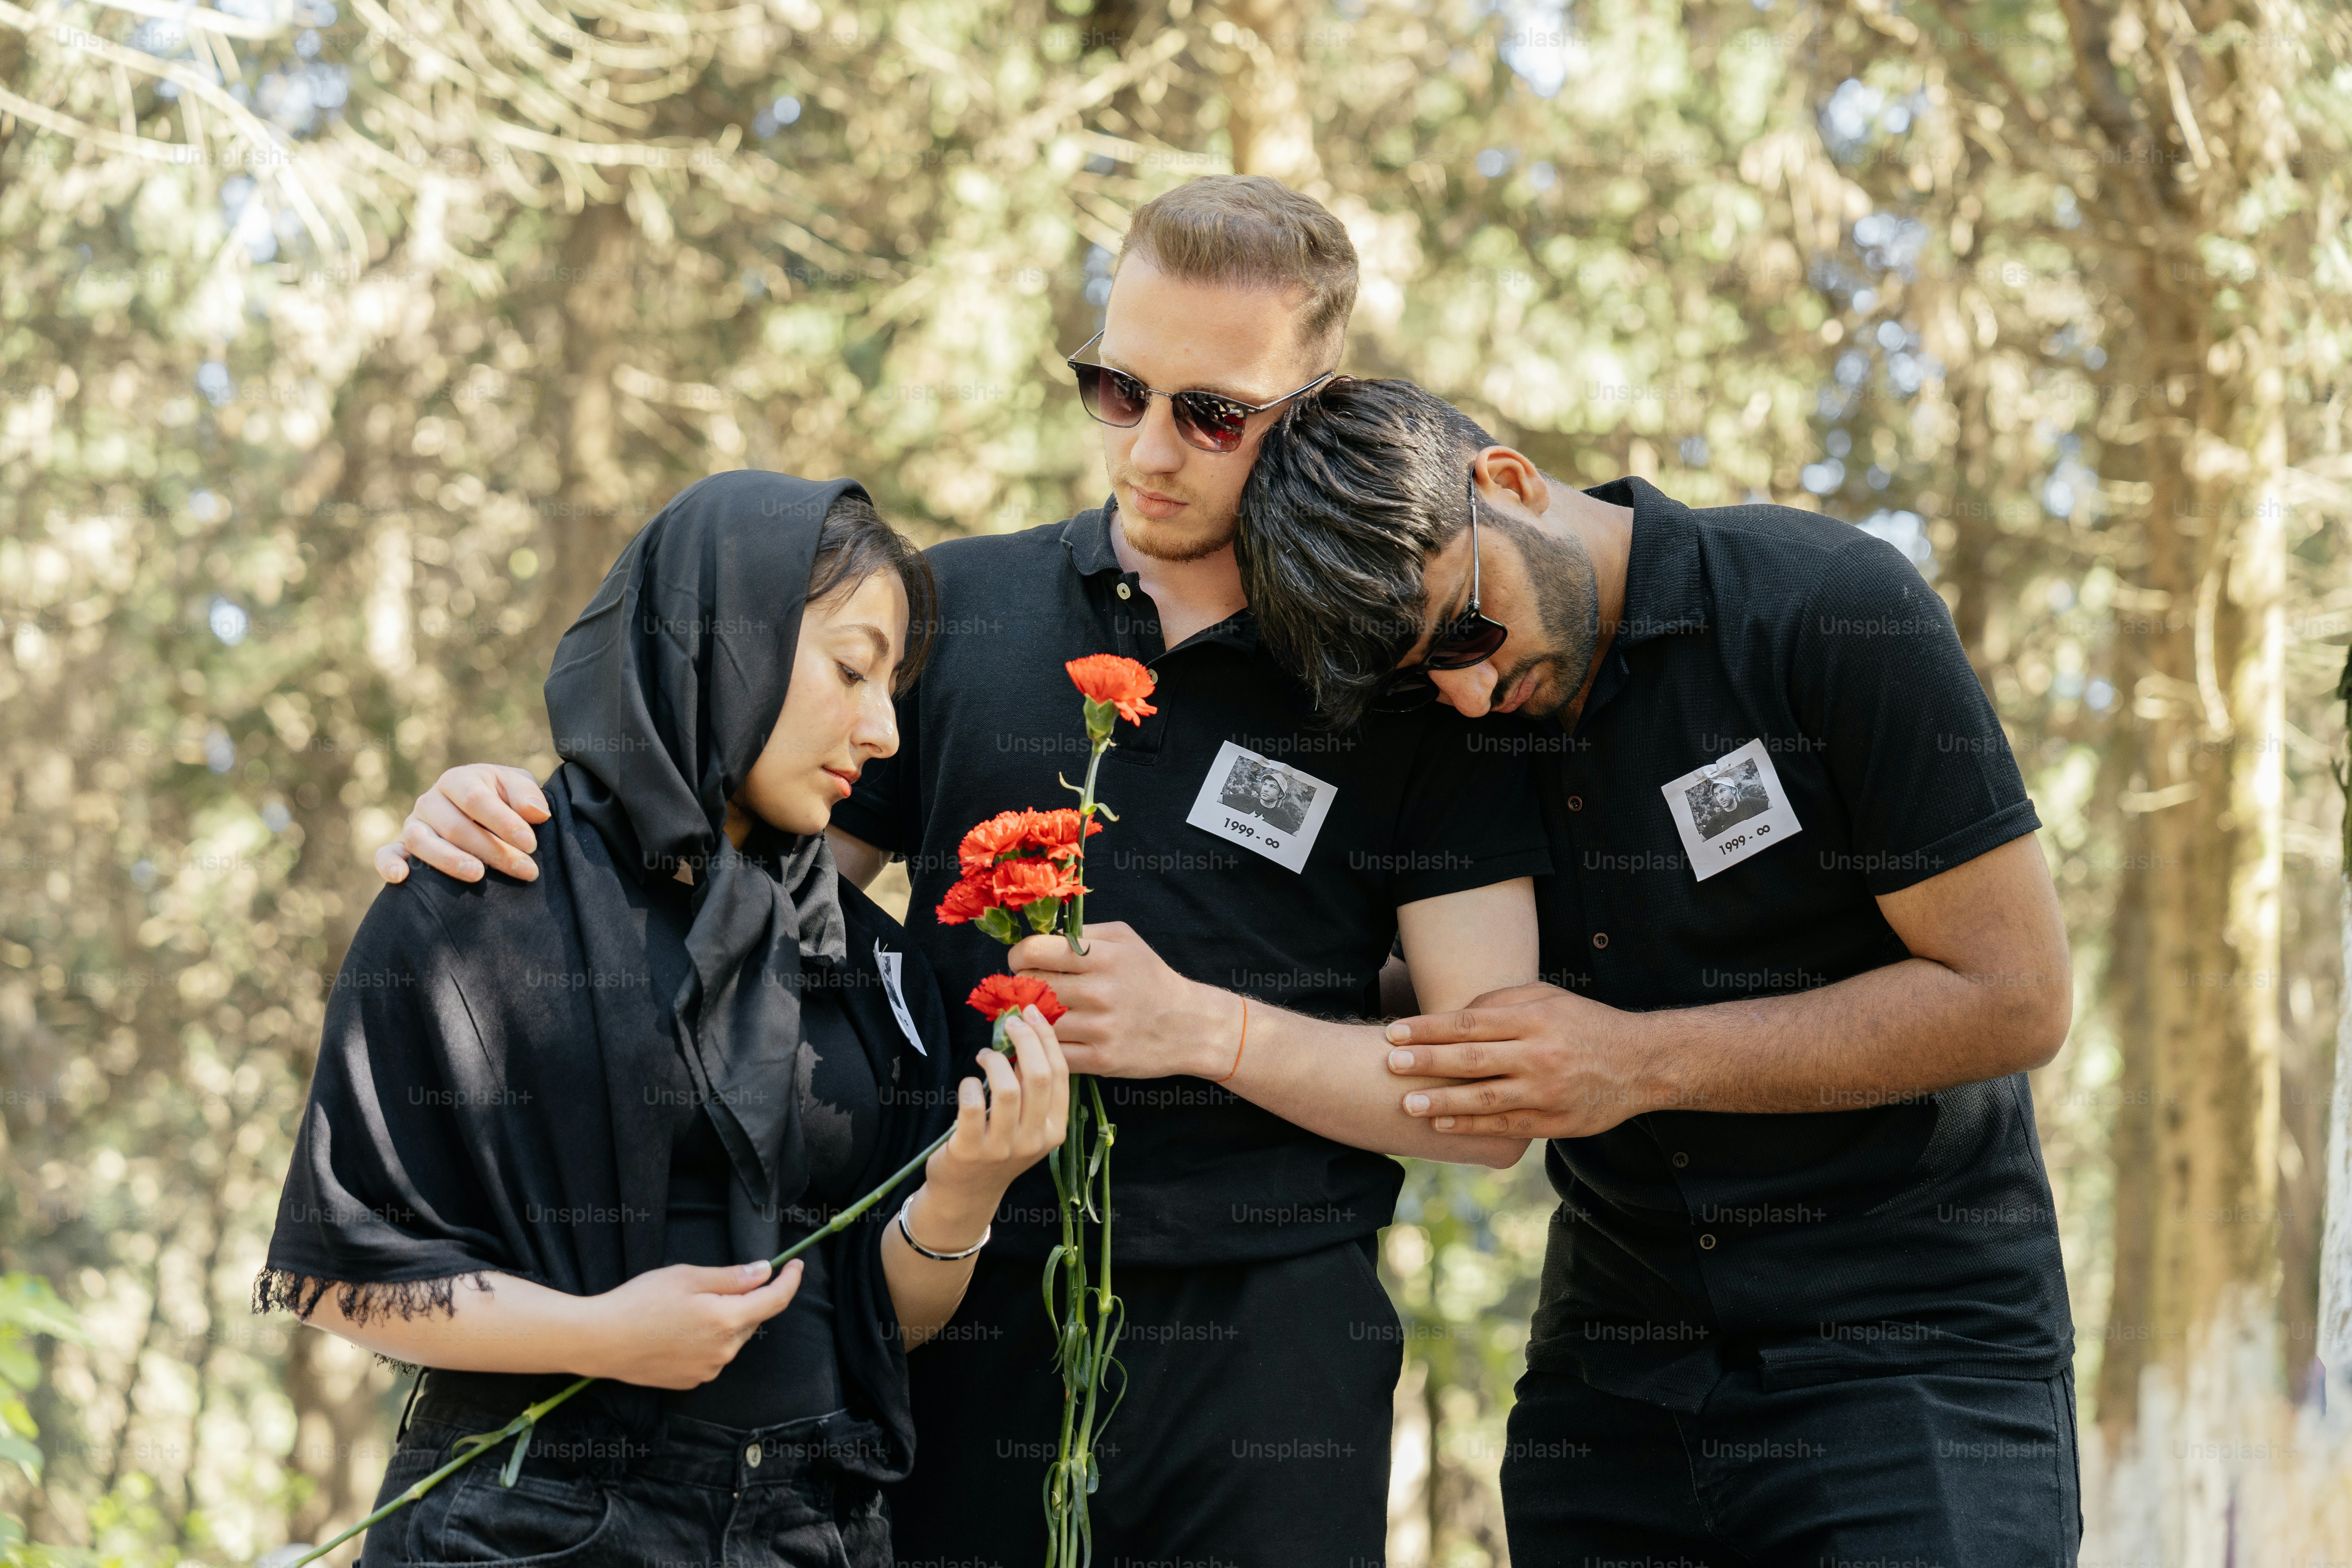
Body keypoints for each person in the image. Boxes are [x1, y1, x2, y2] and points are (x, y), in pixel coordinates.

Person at [371, 177, 1552, 1566]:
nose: (1149, 450)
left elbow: (1489, 1105)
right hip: (950, 1297)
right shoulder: (958, 610)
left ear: (1316, 405)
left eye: (1212, 414)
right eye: (1117, 388)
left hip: (1271, 1346)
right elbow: (726, 908)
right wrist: (515, 819)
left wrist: (1211, 1032)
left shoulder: (1401, 672)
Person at [1238, 376, 2082, 1564]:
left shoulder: (1829, 609)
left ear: (1512, 483)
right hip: (1615, 1382)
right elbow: (1424, 985)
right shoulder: (1450, 720)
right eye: (1424, 679)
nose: (1471, 694)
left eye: (1470, 633)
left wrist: (1632, 1060)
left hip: (1913, 1358)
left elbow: (2016, 995)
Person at [254, 472, 1071, 1568]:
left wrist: (969, 1190)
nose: (882, 730)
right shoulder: (484, 890)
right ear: (721, 639)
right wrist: (602, 1337)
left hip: (813, 1529)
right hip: (531, 1518)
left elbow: (889, 1324)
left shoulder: (872, 965)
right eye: (851, 669)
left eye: (895, 691)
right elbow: (334, 1276)